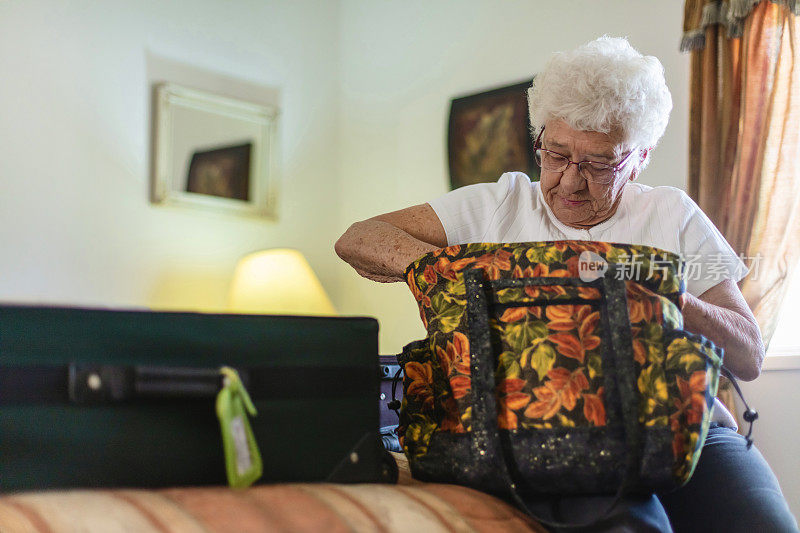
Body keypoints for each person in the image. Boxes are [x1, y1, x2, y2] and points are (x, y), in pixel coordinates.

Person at [336, 36, 798, 532]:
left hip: (682, 425)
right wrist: (474, 272)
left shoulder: (671, 213)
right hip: (538, 429)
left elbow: (747, 354)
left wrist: (654, 294)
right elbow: (359, 238)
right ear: (539, 139)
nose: (571, 181)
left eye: (600, 164)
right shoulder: (502, 202)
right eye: (556, 154)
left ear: (640, 158)